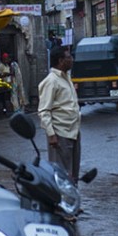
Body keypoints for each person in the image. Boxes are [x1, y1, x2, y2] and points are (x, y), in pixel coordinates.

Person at [38, 45, 81, 182]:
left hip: (73, 131)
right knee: (61, 175)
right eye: (69, 57)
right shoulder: (51, 81)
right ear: (61, 61)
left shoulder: (66, 78)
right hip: (60, 134)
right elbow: (44, 110)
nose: (72, 60)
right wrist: (51, 134)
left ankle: (72, 200)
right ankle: (61, 202)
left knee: (73, 175)